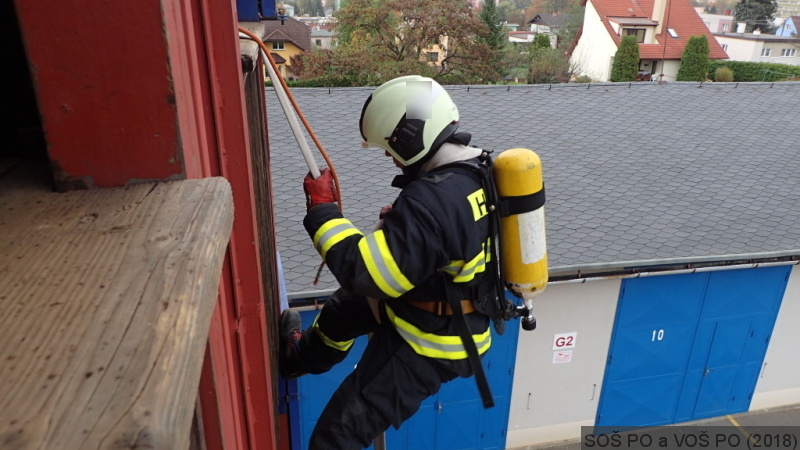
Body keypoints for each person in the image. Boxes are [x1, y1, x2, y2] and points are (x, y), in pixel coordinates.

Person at [280, 75, 499, 450]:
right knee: (342, 312)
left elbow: (365, 273)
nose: (387, 156)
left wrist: (322, 210)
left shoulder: (434, 200)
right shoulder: (475, 169)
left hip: (432, 342)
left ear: (410, 138)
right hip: (437, 304)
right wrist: (405, 229)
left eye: (389, 146)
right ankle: (297, 360)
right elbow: (455, 234)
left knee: (336, 435)